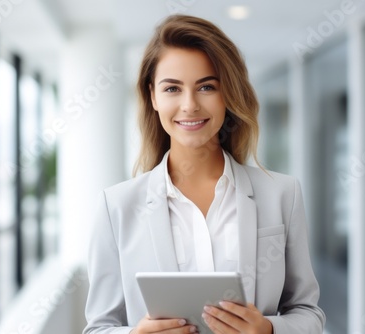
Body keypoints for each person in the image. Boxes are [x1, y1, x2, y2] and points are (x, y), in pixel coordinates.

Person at [83, 14, 325, 334]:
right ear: (153, 96)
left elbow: (308, 312)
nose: (190, 105)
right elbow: (98, 327)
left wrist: (268, 329)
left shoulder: (282, 194)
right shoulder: (117, 207)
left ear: (228, 94)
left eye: (206, 86)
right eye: (172, 88)